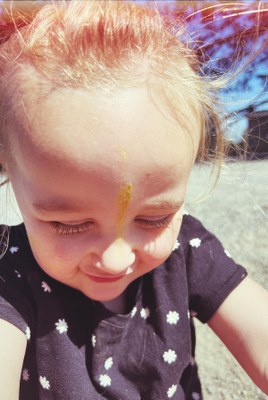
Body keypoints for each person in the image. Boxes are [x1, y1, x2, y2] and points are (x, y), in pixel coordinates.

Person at [0, 1, 267, 399]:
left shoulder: (186, 251)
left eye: (155, 218)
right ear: (9, 169)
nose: (116, 259)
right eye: (69, 224)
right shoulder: (11, 274)